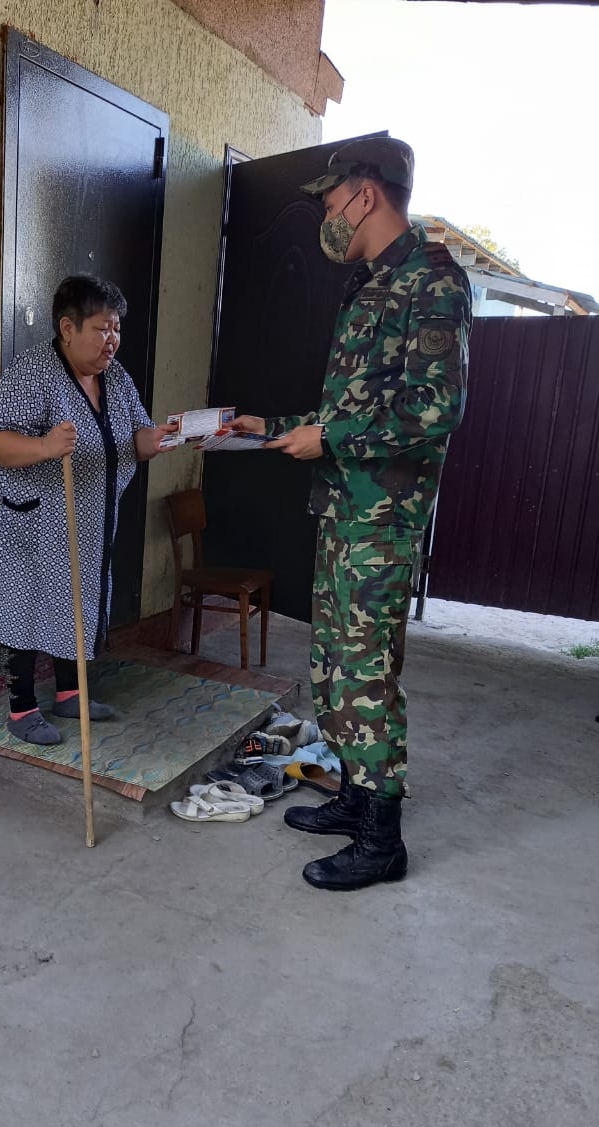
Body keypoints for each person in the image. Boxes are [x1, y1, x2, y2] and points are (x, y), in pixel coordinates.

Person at [233, 137, 472, 891]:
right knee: (335, 665)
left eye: (331, 204)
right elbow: (351, 409)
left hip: (382, 519)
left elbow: (434, 410)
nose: (327, 218)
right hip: (344, 509)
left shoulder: (431, 283)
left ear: (366, 194)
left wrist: (328, 434)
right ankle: (353, 796)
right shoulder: (371, 286)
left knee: (367, 671)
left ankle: (382, 840)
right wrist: (269, 427)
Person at [0, 274, 171, 746]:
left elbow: (135, 437)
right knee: (25, 600)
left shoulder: (114, 377)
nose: (111, 340)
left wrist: (156, 440)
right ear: (68, 328)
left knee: (72, 595)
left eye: (116, 328)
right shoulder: (34, 371)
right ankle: (21, 710)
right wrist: (44, 445)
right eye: (101, 328)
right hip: (21, 514)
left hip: (80, 514)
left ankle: (70, 694)